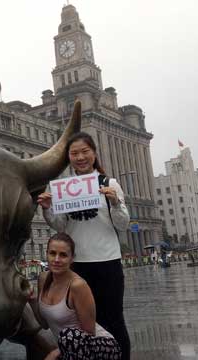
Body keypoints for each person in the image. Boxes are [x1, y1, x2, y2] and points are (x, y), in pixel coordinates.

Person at [37, 132, 131, 360]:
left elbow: (123, 224)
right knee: (82, 322)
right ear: (68, 157)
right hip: (77, 266)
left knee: (113, 319)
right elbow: (61, 226)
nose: (80, 157)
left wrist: (115, 202)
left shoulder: (110, 184)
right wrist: (48, 208)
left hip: (107, 262)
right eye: (74, 153)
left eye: (84, 152)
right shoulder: (64, 187)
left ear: (94, 153)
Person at [30, 233, 121, 360]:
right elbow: (45, 325)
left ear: (72, 258)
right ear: (47, 254)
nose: (56, 259)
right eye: (52, 253)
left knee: (68, 335)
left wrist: (55, 353)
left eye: (63, 255)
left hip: (101, 348)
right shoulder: (43, 279)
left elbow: (89, 334)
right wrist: (33, 300)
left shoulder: (77, 286)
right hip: (69, 350)